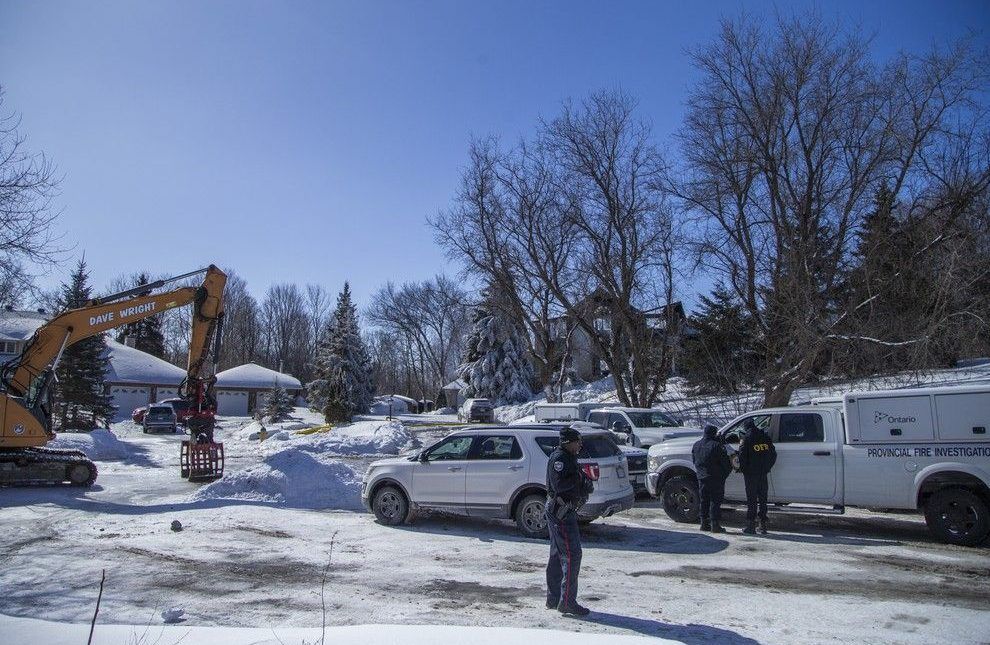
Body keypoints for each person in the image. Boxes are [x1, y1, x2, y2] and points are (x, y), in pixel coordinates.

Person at [545, 426, 594, 617]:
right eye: (577, 441)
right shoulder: (560, 459)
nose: (580, 445)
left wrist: (585, 483)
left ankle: (554, 598)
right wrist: (579, 481)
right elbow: (560, 485)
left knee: (558, 554)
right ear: (568, 442)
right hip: (561, 511)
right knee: (573, 555)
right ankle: (566, 602)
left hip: (563, 510)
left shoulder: (569, 457)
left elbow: (577, 480)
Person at [738, 418, 777, 534]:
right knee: (763, 499)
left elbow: (742, 457)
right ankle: (763, 525)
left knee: (752, 500)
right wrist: (767, 467)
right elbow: (773, 454)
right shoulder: (765, 436)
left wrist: (744, 470)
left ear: (746, 427)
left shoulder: (747, 438)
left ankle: (751, 525)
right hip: (763, 473)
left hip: (751, 475)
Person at [692, 424, 732, 533]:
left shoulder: (696, 445)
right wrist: (724, 475)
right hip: (716, 478)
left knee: (704, 500)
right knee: (715, 501)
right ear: (714, 434)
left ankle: (703, 523)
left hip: (702, 477)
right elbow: (726, 463)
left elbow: (694, 461)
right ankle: (715, 524)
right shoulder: (716, 446)